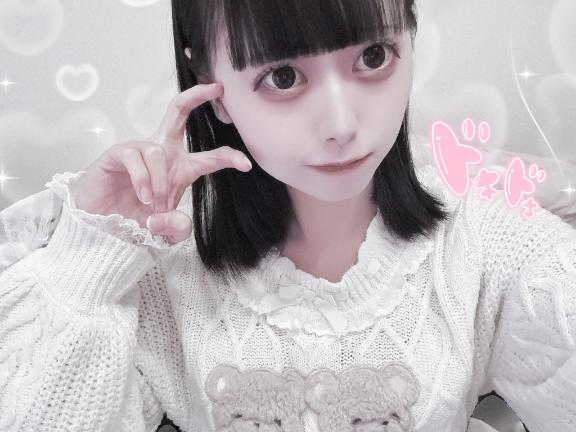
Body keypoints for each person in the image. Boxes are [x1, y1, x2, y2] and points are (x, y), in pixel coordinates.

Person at [0, 0, 575, 431]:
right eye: (283, 77)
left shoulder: (491, 244)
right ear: (210, 86)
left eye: (373, 57)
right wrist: (87, 266)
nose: (341, 125)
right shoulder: (161, 260)